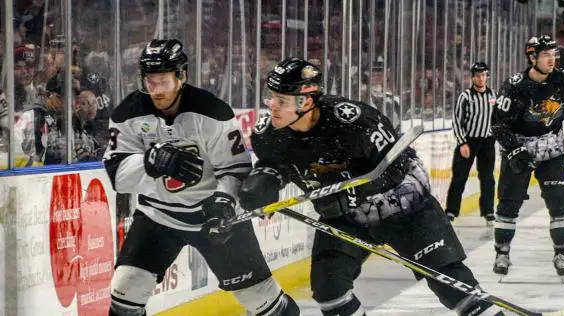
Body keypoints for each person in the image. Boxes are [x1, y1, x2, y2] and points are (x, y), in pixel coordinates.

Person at [239, 57, 503, 316]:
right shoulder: (269, 135)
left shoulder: (355, 123)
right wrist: (264, 181)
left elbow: (396, 168)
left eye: (281, 101)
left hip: (407, 210)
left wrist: (354, 193)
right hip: (346, 218)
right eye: (271, 97)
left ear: (306, 101)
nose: (272, 106)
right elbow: (278, 165)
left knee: (453, 286)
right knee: (330, 291)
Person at [102, 39, 300, 316]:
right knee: (126, 292)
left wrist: (223, 201)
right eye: (150, 82)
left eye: (163, 81)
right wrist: (150, 162)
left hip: (214, 218)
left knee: (263, 303)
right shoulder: (128, 113)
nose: (155, 90)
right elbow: (118, 176)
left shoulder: (212, 112)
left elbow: (234, 169)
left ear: (182, 76)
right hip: (159, 216)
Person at [491, 35, 564, 282]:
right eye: (546, 55)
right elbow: (498, 124)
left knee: (560, 204)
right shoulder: (514, 86)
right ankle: (502, 253)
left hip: (551, 149)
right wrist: (514, 149)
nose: (552, 59)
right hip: (520, 149)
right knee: (508, 204)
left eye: (554, 54)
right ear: (532, 57)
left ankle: (561, 254)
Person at [445, 62, 497, 229]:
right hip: (468, 141)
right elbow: (457, 121)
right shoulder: (465, 96)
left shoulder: (493, 96)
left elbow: (497, 120)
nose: (481, 78)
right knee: (459, 177)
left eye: (484, 75)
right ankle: (451, 211)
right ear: (473, 77)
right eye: (478, 75)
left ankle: (488, 211)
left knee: (487, 178)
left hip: (487, 142)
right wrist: (462, 142)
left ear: (487, 76)